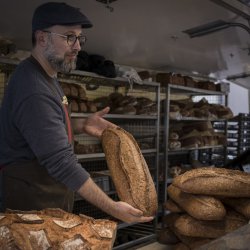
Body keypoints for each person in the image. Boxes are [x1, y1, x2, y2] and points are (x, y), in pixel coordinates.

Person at [0, 2, 154, 224]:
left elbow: (41, 127)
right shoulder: (33, 87)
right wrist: (113, 208)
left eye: (79, 38)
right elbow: (61, 161)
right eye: (69, 37)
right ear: (42, 38)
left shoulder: (47, 75)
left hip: (45, 195)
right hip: (30, 203)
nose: (78, 47)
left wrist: (80, 124)